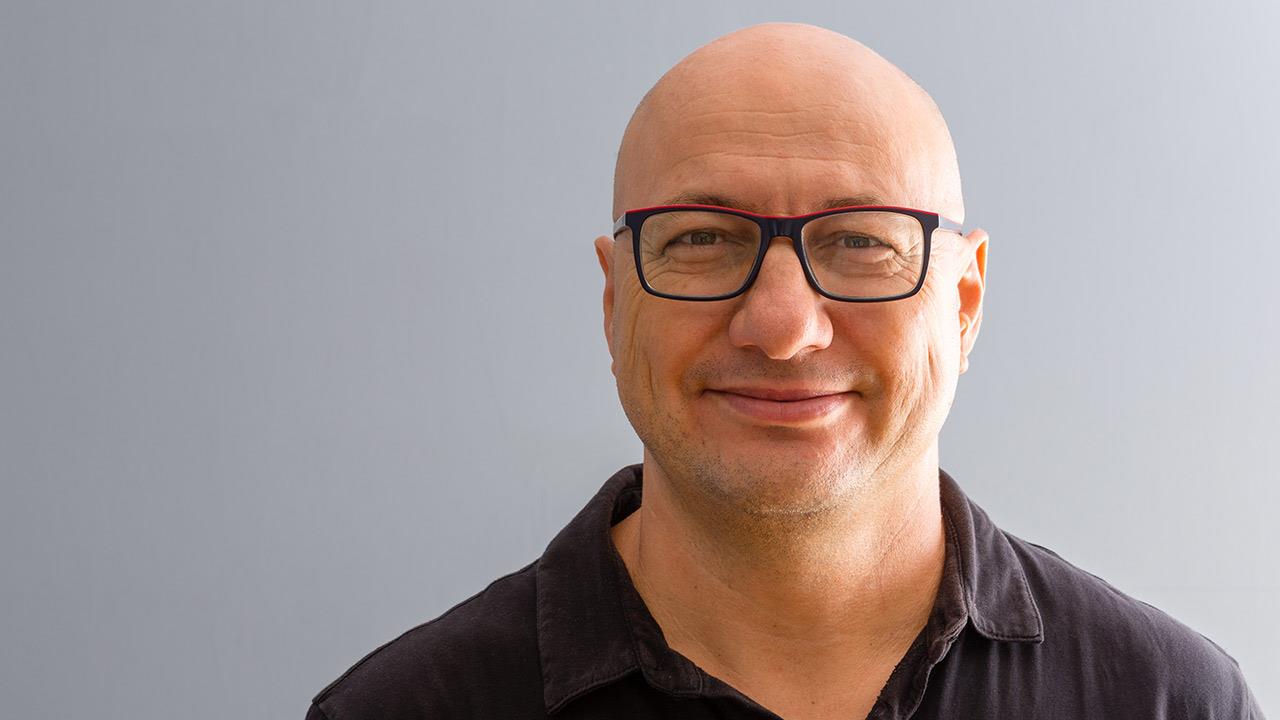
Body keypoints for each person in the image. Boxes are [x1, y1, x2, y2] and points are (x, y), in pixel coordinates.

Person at [305, 22, 1265, 720]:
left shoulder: (1169, 702)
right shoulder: (403, 711)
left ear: (964, 302)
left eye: (860, 240)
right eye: (701, 239)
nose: (782, 327)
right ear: (614, 301)